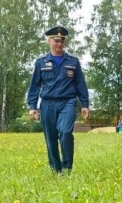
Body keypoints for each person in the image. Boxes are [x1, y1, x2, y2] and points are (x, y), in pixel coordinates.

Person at [26, 25, 90, 173]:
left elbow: (80, 84)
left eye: (62, 41)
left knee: (66, 132)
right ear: (49, 41)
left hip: (68, 102)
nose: (59, 44)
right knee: (51, 138)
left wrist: (85, 104)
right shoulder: (41, 62)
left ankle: (67, 168)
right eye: (56, 41)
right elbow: (35, 86)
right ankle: (56, 169)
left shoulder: (73, 62)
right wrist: (32, 107)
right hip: (47, 103)